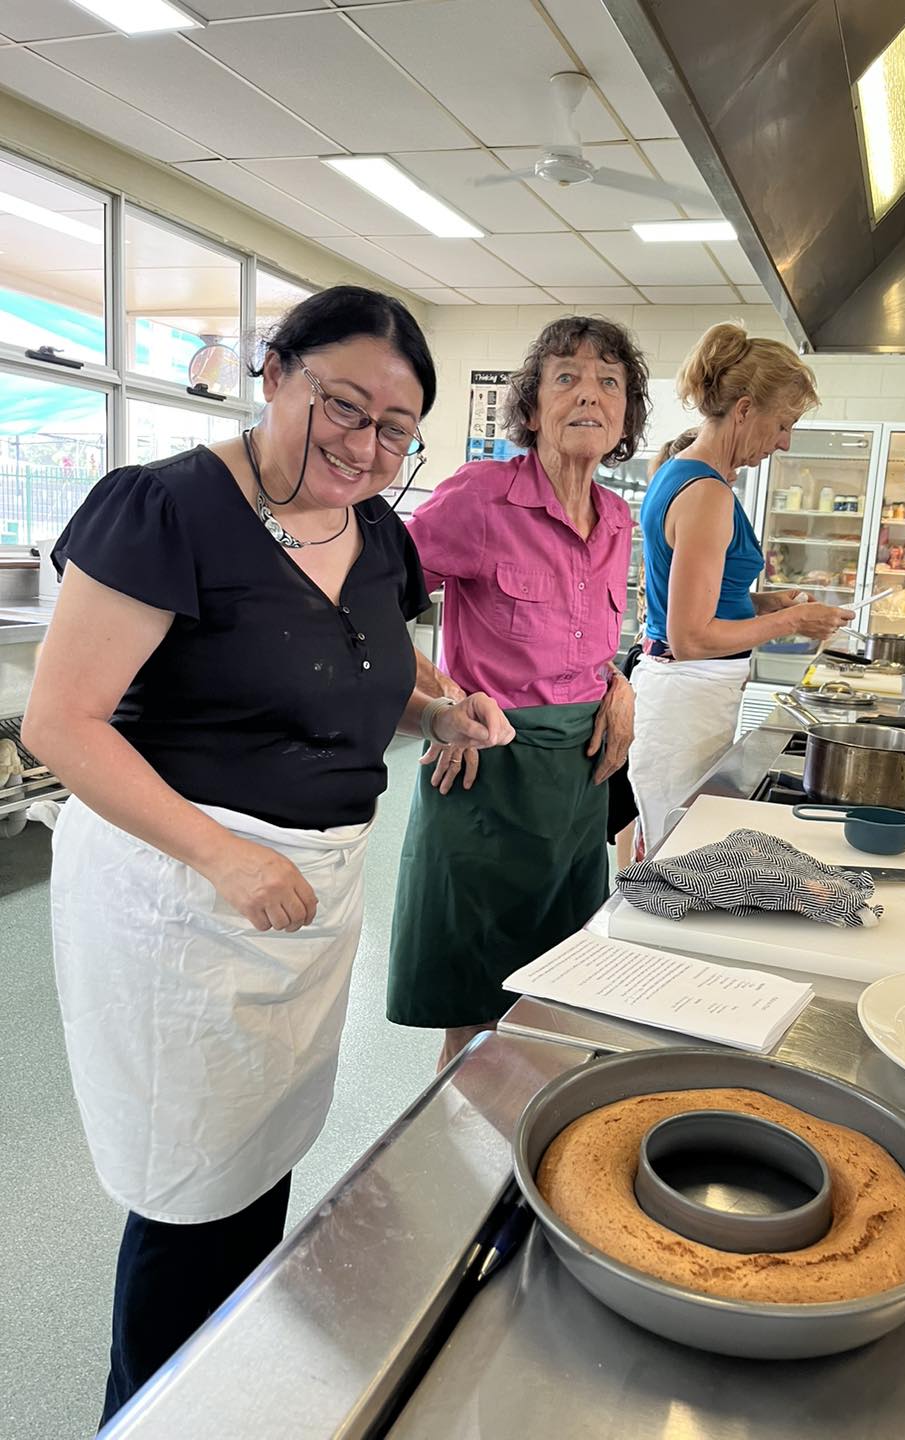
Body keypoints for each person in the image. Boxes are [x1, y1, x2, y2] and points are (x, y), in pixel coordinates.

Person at [21, 286, 514, 1428]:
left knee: (260, 1159)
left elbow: (357, 678)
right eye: (344, 407)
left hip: (307, 900)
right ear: (275, 371)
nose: (366, 446)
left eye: (396, 429)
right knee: (191, 1192)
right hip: (182, 896)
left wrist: (437, 712)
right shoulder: (164, 509)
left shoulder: (377, 534)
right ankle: (149, 1414)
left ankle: (225, 1392)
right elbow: (61, 723)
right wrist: (223, 857)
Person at [386, 315, 649, 1068]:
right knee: (475, 1007)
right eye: (567, 378)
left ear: (626, 417)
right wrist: (442, 701)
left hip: (577, 781)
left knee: (558, 993)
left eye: (609, 382)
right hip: (486, 775)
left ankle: (538, 1137)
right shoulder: (480, 498)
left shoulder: (617, 517)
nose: (590, 395)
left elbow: (584, 636)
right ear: (531, 409)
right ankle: (457, 1139)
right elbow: (364, 603)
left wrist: (618, 682)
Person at [627, 323, 854, 852]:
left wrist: (765, 603)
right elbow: (691, 638)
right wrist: (792, 621)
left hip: (686, 694)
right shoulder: (705, 493)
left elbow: (698, 600)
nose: (785, 441)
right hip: (686, 696)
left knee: (672, 845)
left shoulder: (687, 475)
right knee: (674, 858)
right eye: (783, 424)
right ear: (746, 409)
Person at [609, 426, 700, 868]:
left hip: (647, 657)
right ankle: (631, 878)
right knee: (639, 794)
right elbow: (692, 627)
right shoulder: (687, 519)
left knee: (633, 791)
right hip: (664, 665)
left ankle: (627, 874)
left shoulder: (666, 515)